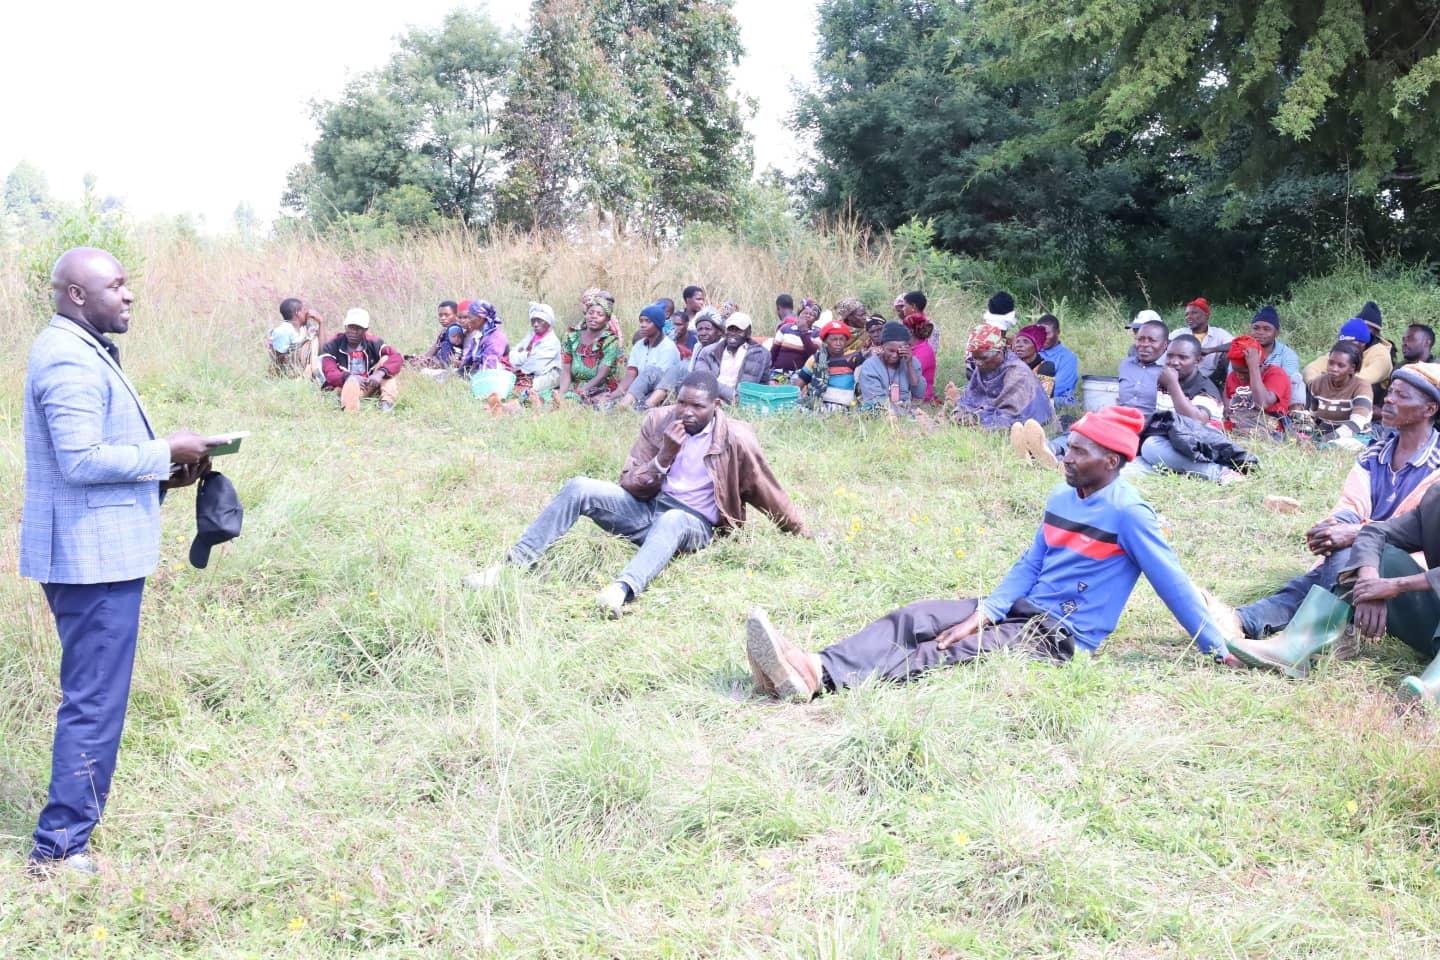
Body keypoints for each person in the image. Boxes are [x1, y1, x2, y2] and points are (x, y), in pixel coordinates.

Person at [743, 406, 1233, 701]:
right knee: (915, 618)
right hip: (1021, 608)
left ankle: (817, 681)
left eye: (1080, 452)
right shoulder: (1062, 496)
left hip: (1060, 636)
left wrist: (1217, 648)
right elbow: (1032, 562)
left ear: (1111, 461)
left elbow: (1171, 582)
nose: (1066, 457)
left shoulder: (1130, 513)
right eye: (1068, 447)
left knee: (948, 651)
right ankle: (814, 663)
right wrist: (987, 611)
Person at [22, 247, 217, 875]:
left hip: (97, 555)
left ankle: (67, 837)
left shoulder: (84, 349)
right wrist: (164, 451)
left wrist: (164, 475)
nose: (129, 294)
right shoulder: (67, 357)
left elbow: (94, 455)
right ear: (78, 294)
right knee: (94, 701)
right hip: (91, 561)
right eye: (116, 285)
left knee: (96, 696)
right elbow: (80, 460)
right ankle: (59, 849)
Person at [464, 370, 807, 616]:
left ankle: (622, 589)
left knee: (673, 519)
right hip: (646, 508)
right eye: (682, 403)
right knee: (579, 486)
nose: (687, 412)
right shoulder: (658, 421)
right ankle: (510, 567)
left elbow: (766, 488)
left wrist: (801, 531)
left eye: (698, 407)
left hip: (694, 523)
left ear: (716, 405)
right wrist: (664, 457)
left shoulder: (736, 438)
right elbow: (628, 481)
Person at [1206, 364, 1440, 654]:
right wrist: (1335, 528)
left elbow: (1414, 536)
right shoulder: (1375, 452)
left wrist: (1352, 535)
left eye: (1402, 396)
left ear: (1429, 409)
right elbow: (1351, 504)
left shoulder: (1436, 468)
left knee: (1347, 550)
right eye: (1390, 392)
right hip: (1368, 556)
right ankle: (1258, 624)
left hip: (1410, 572)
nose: (1389, 399)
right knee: (1342, 547)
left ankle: (1279, 630)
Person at [1128, 334, 1244, 484]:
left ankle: (1220, 473)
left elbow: (1196, 421)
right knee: (1125, 466)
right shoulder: (1159, 381)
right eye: (1170, 356)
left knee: (1151, 446)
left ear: (1198, 360)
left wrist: (1172, 385)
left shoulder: (1205, 388)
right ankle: (1177, 470)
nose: (1174, 362)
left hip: (1199, 446)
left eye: (1183, 357)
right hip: (1170, 443)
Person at [956, 323, 1053, 430]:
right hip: (994, 414)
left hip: (1029, 421)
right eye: (975, 358)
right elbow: (968, 401)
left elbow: (1010, 415)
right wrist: (960, 413)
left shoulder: (1017, 372)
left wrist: (976, 419)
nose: (978, 363)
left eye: (983, 358)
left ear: (1000, 352)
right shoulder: (984, 367)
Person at [319, 308, 402, 412]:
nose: (353, 332)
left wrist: (380, 373)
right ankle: (351, 412)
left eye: (358, 328)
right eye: (350, 327)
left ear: (365, 330)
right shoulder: (333, 345)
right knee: (351, 383)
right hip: (343, 386)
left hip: (369, 384)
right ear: (345, 327)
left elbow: (397, 357)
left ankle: (386, 404)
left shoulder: (373, 342)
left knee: (386, 361)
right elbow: (330, 373)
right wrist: (350, 377)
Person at [607, 303, 682, 409]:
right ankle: (621, 404)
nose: (643, 325)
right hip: (640, 388)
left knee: (650, 371)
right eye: (641, 321)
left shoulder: (668, 347)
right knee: (613, 398)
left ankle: (628, 405)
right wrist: (614, 394)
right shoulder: (639, 345)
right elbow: (631, 375)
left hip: (663, 391)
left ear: (658, 324)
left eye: (648, 321)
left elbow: (659, 379)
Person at [644, 310, 724, 408]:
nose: (703, 333)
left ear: (719, 332)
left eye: (708, 329)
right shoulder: (698, 346)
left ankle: (649, 404)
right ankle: (634, 402)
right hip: (693, 386)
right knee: (652, 371)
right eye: (700, 329)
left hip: (710, 390)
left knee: (681, 367)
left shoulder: (722, 347)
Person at [1305, 341, 1373, 443]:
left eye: (1341, 365)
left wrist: (1327, 439)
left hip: (1355, 436)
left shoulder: (1362, 387)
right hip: (1324, 433)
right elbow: (1313, 416)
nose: (1333, 369)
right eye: (1331, 363)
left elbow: (1356, 424)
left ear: (1352, 368)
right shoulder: (1317, 383)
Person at [560, 297, 626, 403]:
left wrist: (580, 392)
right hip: (574, 384)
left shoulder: (610, 341)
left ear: (607, 320)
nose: (594, 316)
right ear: (585, 315)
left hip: (598, 387)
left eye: (600, 314)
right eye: (590, 313)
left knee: (573, 399)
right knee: (544, 397)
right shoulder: (571, 336)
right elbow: (566, 371)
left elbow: (601, 376)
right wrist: (561, 394)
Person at [1302, 314, 1393, 389]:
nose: (1345, 347)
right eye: (1343, 343)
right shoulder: (1343, 350)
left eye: (1350, 344)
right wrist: (1315, 384)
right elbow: (1311, 368)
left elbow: (1365, 377)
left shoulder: (1381, 355)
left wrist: (1333, 383)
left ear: (1362, 343)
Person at [1223, 335, 1290, 437]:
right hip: (1238, 425)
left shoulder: (1276, 374)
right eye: (1236, 371)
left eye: (1244, 372)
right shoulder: (1232, 377)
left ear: (1260, 364)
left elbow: (1262, 404)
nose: (1239, 376)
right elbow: (1228, 409)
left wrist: (1253, 368)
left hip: (1268, 429)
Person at [694, 313, 769, 402]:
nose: (733, 334)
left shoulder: (758, 354)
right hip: (710, 399)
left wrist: (713, 386)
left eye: (738, 331)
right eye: (730, 329)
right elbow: (702, 379)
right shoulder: (709, 352)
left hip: (740, 403)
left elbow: (743, 394)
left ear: (748, 333)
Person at [797, 320, 864, 411]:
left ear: (846, 340)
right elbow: (799, 384)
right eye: (833, 339)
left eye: (841, 339)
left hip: (848, 406)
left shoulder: (854, 358)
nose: (838, 343)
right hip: (820, 404)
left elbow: (863, 384)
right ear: (825, 340)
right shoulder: (816, 359)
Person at [857, 321, 923, 414]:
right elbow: (876, 402)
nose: (895, 355)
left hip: (906, 409)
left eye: (899, 351)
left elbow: (919, 393)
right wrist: (902, 412)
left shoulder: (911, 361)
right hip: (880, 411)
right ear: (882, 347)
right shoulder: (870, 367)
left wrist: (909, 364)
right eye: (891, 351)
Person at [1249, 305, 1305, 408]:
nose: (1260, 333)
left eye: (1267, 329)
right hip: (1249, 394)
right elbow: (1234, 377)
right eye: (1256, 328)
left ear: (1277, 333)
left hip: (1277, 396)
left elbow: (1284, 383)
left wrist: (1255, 370)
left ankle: (1296, 413)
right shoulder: (1243, 350)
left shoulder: (1288, 354)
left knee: (1297, 381)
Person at [510, 303, 563, 399]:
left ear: (548, 322)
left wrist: (521, 356)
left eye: (539, 321)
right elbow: (512, 355)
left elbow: (535, 366)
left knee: (519, 389)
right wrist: (526, 355)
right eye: (533, 321)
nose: (535, 324)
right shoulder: (531, 335)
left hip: (544, 377)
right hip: (525, 373)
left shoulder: (552, 342)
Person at [1181, 297, 1232, 385]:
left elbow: (1237, 344)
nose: (1189, 317)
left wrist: (1210, 350)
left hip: (1212, 379)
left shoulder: (1219, 333)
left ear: (1206, 315)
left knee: (1230, 354)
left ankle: (1228, 386)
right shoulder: (1180, 333)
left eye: (1194, 313)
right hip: (1183, 379)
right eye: (1186, 314)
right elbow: (1165, 343)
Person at [268, 297, 323, 378]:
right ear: (297, 313)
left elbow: (323, 349)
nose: (307, 312)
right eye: (304, 310)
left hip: (307, 374)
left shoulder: (305, 328)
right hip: (290, 377)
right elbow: (278, 360)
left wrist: (321, 322)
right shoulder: (283, 331)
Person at [900, 291, 937, 402]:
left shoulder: (923, 351)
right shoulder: (914, 346)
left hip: (920, 396)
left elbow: (912, 379)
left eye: (904, 306)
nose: (902, 309)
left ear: (910, 331)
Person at [769, 301, 818, 381]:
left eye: (812, 315)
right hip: (778, 372)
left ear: (815, 319)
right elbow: (774, 351)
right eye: (805, 313)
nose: (808, 316)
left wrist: (804, 332)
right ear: (799, 314)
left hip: (799, 376)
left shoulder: (816, 333)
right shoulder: (785, 329)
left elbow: (813, 355)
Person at [1037, 314, 1079, 405]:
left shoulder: (1068, 357)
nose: (1043, 337)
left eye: (1047, 333)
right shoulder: (1033, 351)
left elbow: (1059, 387)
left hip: (1055, 399)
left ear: (1058, 332)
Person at [459, 300, 509, 375]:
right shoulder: (478, 336)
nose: (468, 321)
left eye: (470, 317)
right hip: (478, 374)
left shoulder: (495, 338)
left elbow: (489, 368)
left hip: (496, 377)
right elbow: (466, 363)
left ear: (481, 318)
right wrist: (457, 374)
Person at [410, 300, 460, 369]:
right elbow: (433, 350)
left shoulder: (458, 331)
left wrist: (430, 361)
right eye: (440, 315)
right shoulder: (444, 331)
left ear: (456, 315)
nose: (443, 318)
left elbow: (453, 359)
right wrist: (422, 358)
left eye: (447, 315)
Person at [1011, 324, 1056, 396]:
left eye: (1026, 342)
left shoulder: (1046, 367)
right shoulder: (1012, 364)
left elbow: (1043, 397)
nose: (1019, 345)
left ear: (1036, 347)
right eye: (1017, 341)